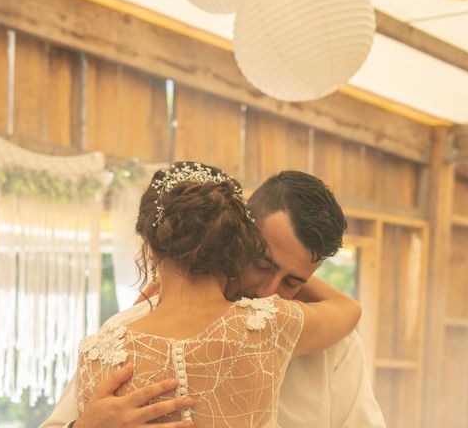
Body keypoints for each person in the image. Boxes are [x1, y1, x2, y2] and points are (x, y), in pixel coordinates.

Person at [41, 165, 363, 428]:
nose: (268, 293)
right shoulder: (120, 333)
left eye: (293, 282)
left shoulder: (336, 344)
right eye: (262, 264)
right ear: (239, 239)